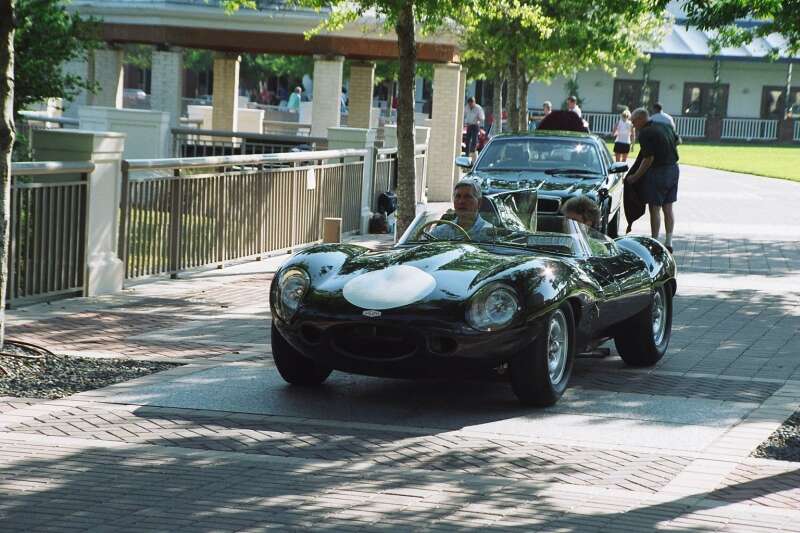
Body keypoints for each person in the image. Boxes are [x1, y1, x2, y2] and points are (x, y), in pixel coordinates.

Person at [625, 108, 680, 253]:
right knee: (668, 208)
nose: (633, 125)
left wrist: (635, 177)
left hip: (659, 171)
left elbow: (648, 159)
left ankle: (655, 241)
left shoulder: (645, 133)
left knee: (654, 208)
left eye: (634, 122)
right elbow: (678, 140)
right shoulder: (665, 126)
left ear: (641, 119)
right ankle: (669, 242)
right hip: (674, 169)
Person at [463, 97, 485, 161]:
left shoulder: (478, 108)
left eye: (471, 104)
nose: (470, 105)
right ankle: (467, 153)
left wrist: (479, 118)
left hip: (475, 125)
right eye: (469, 104)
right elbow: (463, 115)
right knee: (467, 140)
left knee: (474, 140)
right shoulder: (466, 108)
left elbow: (482, 118)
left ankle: (472, 153)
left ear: (474, 102)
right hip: (469, 125)